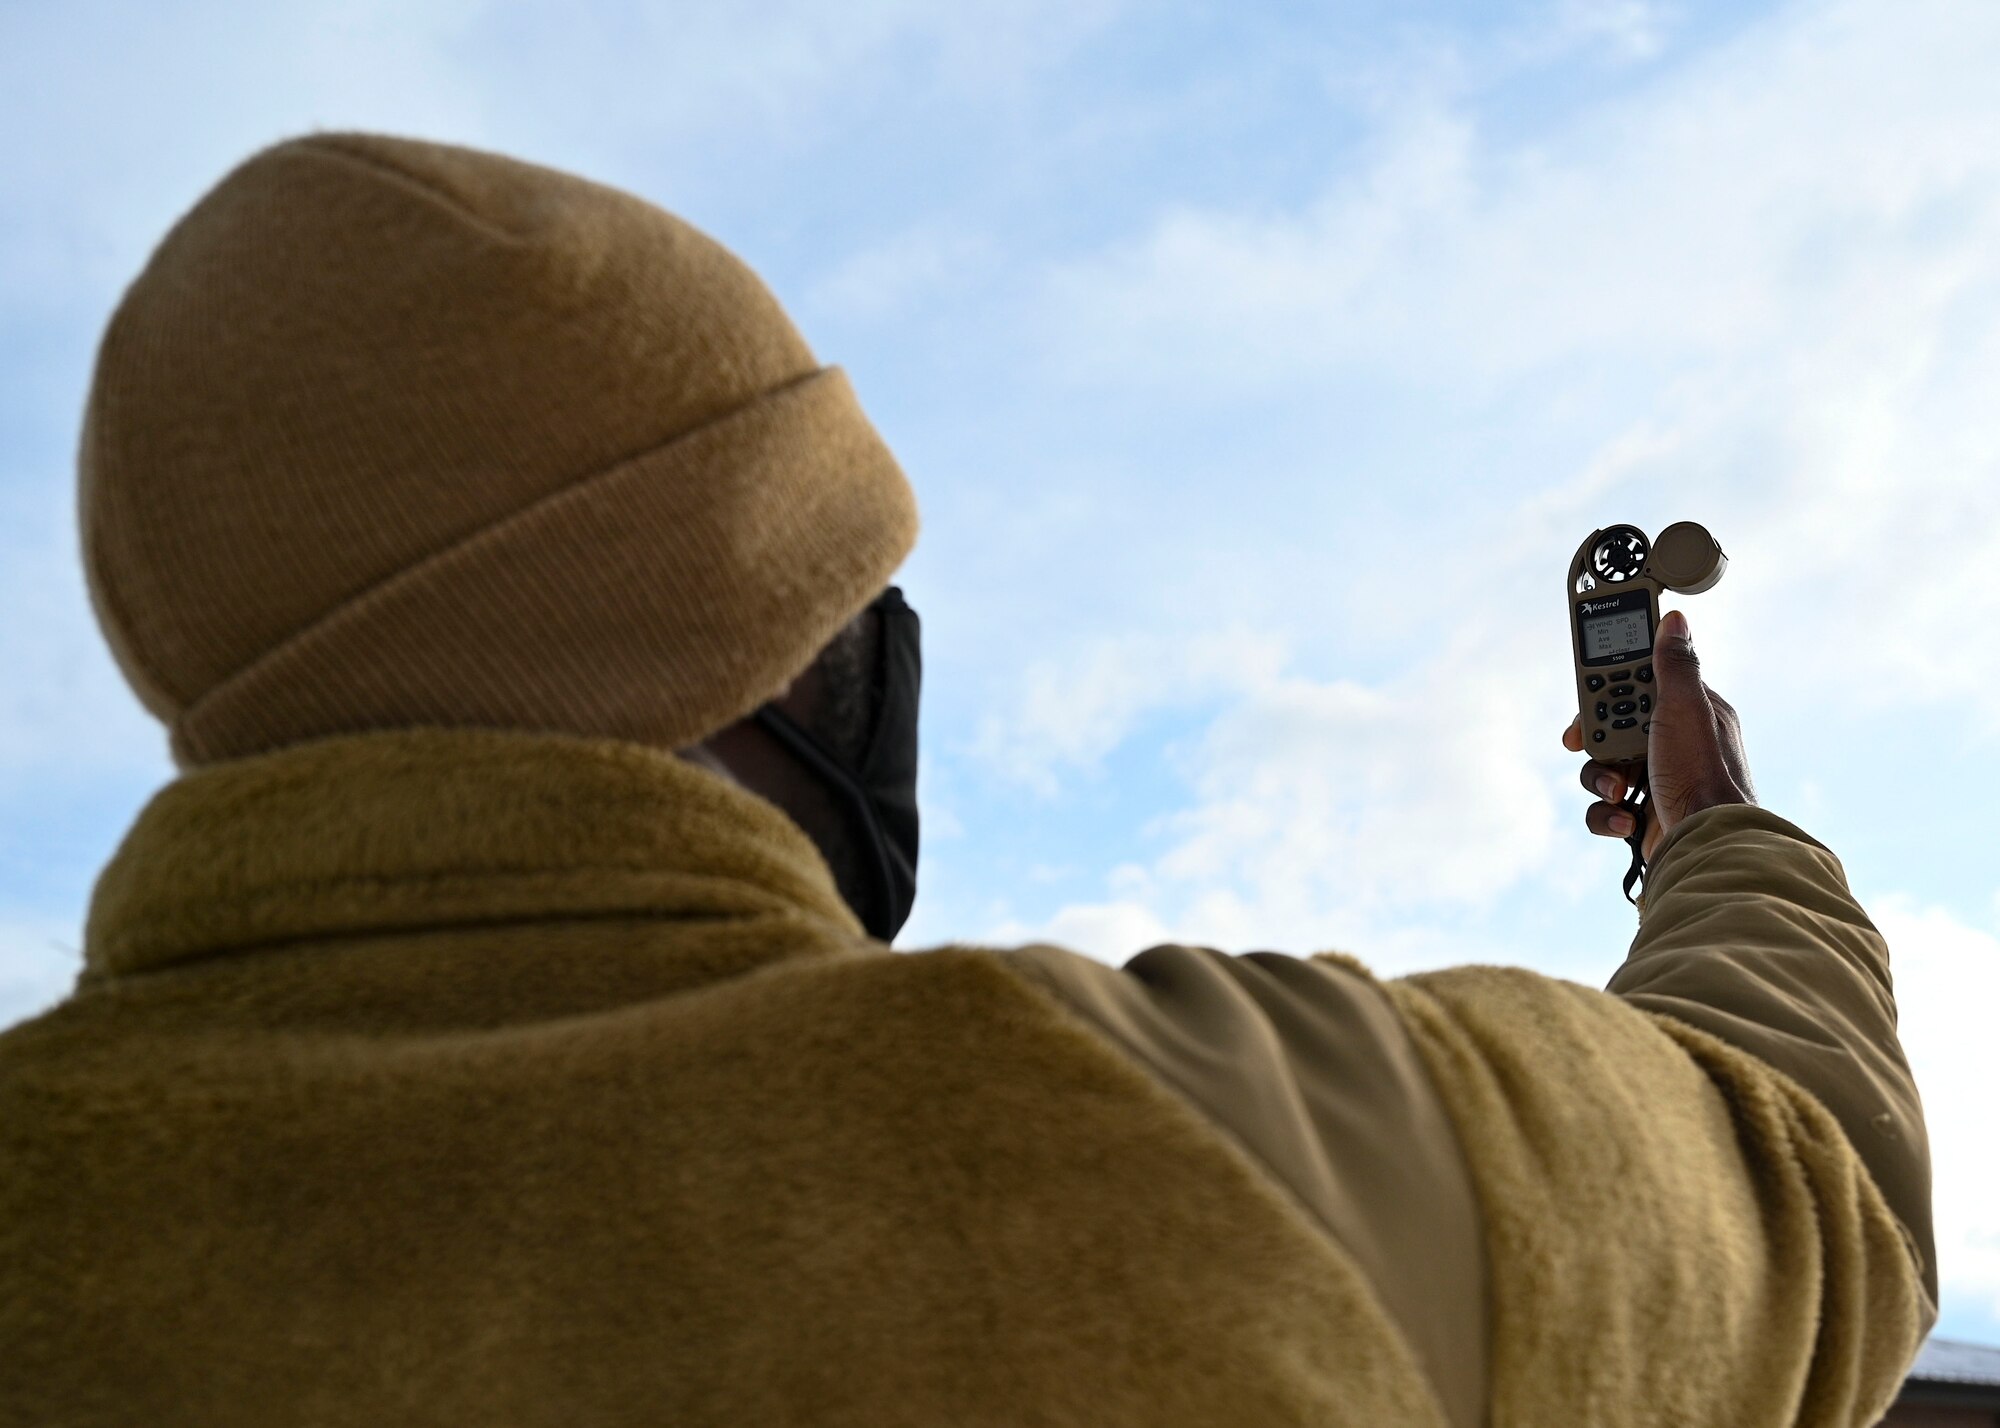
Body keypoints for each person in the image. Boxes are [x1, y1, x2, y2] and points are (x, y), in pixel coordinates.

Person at [0, 132, 1933, 1428]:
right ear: (789, 656)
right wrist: (1718, 826)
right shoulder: (1202, 1149)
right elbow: (1815, 1184)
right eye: (848, 601)